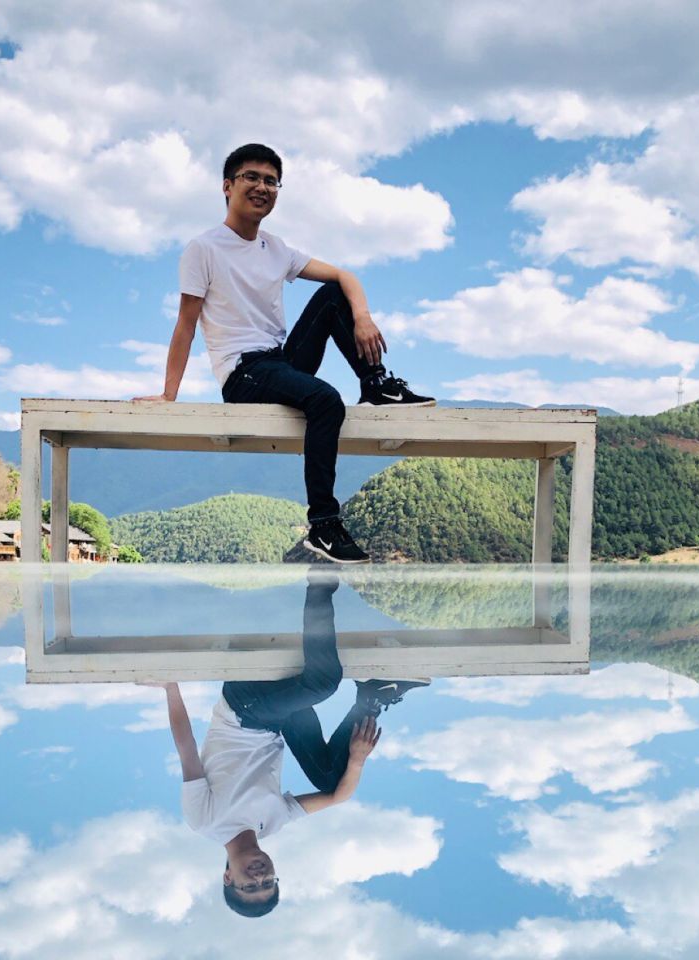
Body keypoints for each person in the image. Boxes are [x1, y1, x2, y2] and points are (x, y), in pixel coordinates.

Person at [135, 143, 435, 564]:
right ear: (227, 186)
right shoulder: (203, 249)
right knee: (326, 399)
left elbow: (345, 274)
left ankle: (375, 384)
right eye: (251, 177)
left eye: (271, 181)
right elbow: (185, 324)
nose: (262, 187)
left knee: (334, 294)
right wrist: (169, 394)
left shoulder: (276, 248)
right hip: (244, 373)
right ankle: (324, 525)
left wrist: (363, 316)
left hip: (280, 361)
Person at [153, 571, 429, 917]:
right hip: (277, 724)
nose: (260, 877)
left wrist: (170, 686)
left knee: (323, 685)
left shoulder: (204, 821)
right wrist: (357, 759)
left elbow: (186, 749)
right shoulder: (273, 823)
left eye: (249, 886)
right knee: (331, 778)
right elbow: (337, 797)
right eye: (268, 883)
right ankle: (373, 696)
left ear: (228, 877)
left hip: (244, 709)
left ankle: (321, 583)